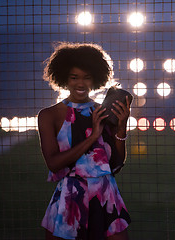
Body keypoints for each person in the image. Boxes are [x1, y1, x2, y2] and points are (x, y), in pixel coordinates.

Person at [38, 42, 131, 240]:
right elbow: (54, 163)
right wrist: (92, 137)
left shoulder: (103, 112)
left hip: (106, 194)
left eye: (87, 78)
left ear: (96, 79)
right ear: (64, 78)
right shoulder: (49, 115)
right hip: (71, 196)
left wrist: (121, 126)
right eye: (74, 77)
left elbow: (115, 164)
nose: (80, 83)